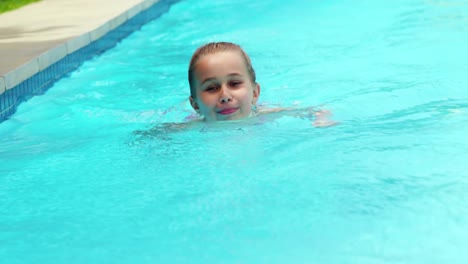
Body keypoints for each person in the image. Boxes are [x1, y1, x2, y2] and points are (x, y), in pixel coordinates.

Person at [187, 41, 336, 127]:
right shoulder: (192, 128)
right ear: (195, 105)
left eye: (234, 83)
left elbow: (317, 111)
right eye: (212, 88)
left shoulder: (264, 116)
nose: (225, 96)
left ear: (255, 93)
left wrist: (322, 121)